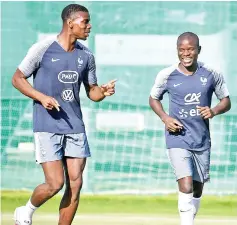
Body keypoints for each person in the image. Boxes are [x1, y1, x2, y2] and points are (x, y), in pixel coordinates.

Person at [12, 4, 116, 225]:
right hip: (47, 126)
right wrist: (41, 97)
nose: (89, 26)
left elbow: (93, 93)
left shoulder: (86, 55)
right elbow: (18, 79)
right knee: (54, 183)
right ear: (70, 23)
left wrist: (103, 92)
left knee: (76, 185)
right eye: (85, 22)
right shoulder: (43, 49)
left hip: (75, 127)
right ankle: (27, 210)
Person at [149, 32, 231, 225]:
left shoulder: (211, 73)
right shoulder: (167, 75)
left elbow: (226, 101)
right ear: (177, 51)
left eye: (190, 49)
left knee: (197, 188)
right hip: (177, 137)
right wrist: (165, 117)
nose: (186, 54)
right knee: (185, 185)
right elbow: (153, 98)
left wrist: (213, 111)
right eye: (181, 50)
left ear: (198, 51)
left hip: (201, 139)